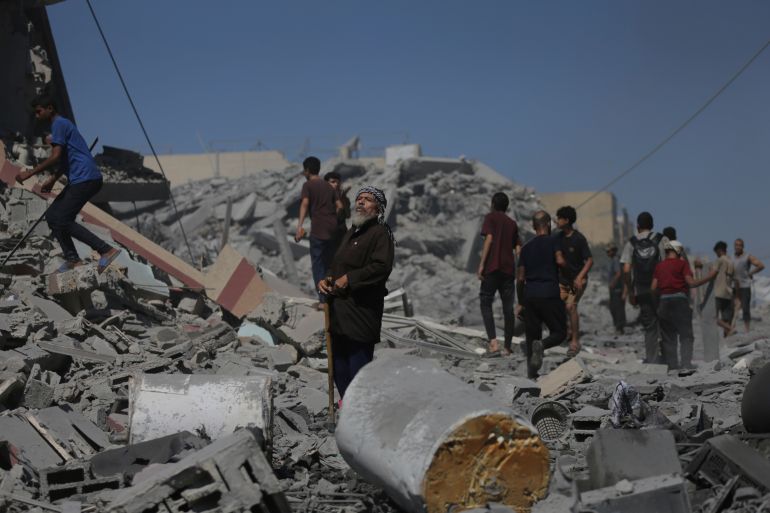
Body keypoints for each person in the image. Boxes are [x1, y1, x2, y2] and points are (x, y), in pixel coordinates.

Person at [16, 95, 120, 273]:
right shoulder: (61, 125)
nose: (37, 115)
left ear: (50, 108)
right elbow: (65, 159)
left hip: (86, 178)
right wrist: (53, 179)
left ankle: (106, 250)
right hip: (80, 179)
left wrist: (30, 173)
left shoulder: (59, 124)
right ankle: (73, 260)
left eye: (39, 111)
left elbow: (55, 156)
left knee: (63, 219)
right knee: (53, 216)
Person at [318, 186, 395, 400]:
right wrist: (327, 279)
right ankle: (348, 406)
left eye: (368, 199)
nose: (361, 202)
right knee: (339, 366)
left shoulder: (380, 233)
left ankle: (360, 409)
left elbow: (381, 267)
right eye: (359, 198)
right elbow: (337, 264)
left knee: (358, 368)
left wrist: (350, 279)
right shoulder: (352, 232)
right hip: (339, 312)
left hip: (361, 312)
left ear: (378, 208)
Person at [516, 210, 567, 379]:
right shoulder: (554, 241)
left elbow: (520, 278)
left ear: (533, 226)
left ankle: (532, 376)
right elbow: (560, 261)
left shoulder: (526, 248)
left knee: (532, 337)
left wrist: (521, 302)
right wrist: (568, 277)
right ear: (549, 224)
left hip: (530, 296)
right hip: (549, 293)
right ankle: (543, 345)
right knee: (559, 333)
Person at [651, 240, 709, 369]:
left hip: (664, 303)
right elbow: (691, 283)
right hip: (680, 303)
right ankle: (686, 364)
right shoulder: (682, 264)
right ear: (678, 251)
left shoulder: (659, 266)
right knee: (686, 335)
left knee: (668, 337)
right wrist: (709, 277)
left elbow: (653, 287)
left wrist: (661, 299)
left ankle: (672, 366)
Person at [620, 212, 669, 363]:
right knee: (665, 323)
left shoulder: (631, 242)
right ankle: (669, 359)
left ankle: (652, 360)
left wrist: (630, 292)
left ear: (638, 226)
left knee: (649, 326)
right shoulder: (662, 239)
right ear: (652, 225)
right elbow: (668, 264)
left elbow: (626, 270)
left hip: (642, 290)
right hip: (660, 289)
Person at [477, 192, 521, 354]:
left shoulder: (490, 218)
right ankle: (507, 346)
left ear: (493, 204)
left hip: (492, 267)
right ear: (506, 206)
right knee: (508, 309)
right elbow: (518, 248)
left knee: (485, 302)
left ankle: (493, 342)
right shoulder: (512, 223)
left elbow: (489, 239)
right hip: (508, 271)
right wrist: (520, 266)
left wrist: (482, 264)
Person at [295, 156, 341, 303]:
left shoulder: (308, 185)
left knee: (318, 264)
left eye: (304, 171)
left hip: (319, 229)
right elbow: (340, 206)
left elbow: (305, 204)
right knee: (329, 263)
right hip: (332, 229)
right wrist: (333, 218)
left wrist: (300, 226)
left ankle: (323, 299)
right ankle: (333, 295)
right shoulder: (329, 186)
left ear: (307, 170)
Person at [554, 206, 593, 355]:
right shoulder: (558, 237)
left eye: (559, 218)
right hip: (563, 280)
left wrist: (580, 277)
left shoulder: (579, 239)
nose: (557, 221)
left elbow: (589, 260)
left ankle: (575, 341)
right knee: (555, 305)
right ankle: (565, 333)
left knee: (570, 306)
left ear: (566, 220)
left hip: (576, 281)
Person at [699, 241, 735, 337]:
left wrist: (700, 281)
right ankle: (728, 338)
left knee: (711, 316)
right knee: (726, 318)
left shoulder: (719, 260)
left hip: (718, 292)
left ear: (719, 250)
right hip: (728, 293)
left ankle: (729, 328)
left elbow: (712, 274)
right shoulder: (731, 261)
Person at [733, 238, 765, 333]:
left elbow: (761, 265)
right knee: (733, 308)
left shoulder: (747, 256)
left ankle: (747, 329)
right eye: (736, 245)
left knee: (745, 308)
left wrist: (751, 273)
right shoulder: (731, 257)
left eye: (740, 245)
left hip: (745, 285)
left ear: (743, 247)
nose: (738, 247)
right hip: (734, 286)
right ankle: (731, 328)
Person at [324, 171, 351, 249]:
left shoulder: (343, 198)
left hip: (342, 235)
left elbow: (348, 215)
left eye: (338, 182)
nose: (336, 184)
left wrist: (343, 198)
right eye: (333, 182)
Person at [606, 243, 626, 335]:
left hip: (617, 288)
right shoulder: (613, 260)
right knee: (613, 307)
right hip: (614, 288)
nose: (607, 253)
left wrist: (612, 283)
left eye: (608, 251)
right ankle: (618, 326)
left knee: (617, 308)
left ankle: (619, 327)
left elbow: (618, 273)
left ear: (613, 251)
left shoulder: (616, 260)